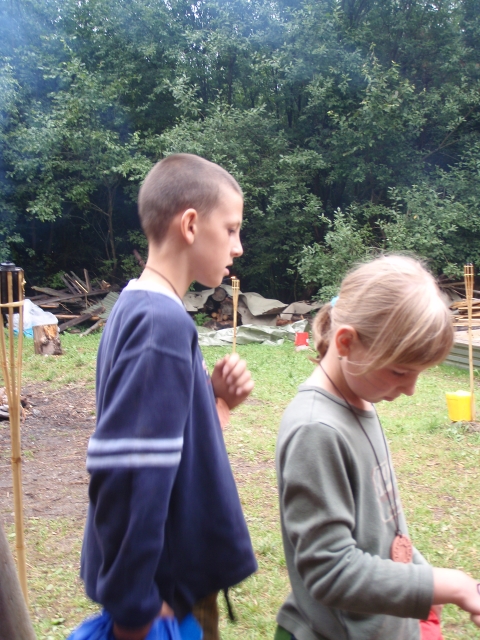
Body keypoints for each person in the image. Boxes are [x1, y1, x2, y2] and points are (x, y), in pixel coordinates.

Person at [80, 154, 257, 640]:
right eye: (232, 229)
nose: (238, 246)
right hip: (162, 598)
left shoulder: (133, 306)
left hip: (165, 586)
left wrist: (215, 401)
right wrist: (135, 606)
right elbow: (129, 469)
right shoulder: (161, 325)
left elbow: (165, 444)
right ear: (191, 225)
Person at [274, 255, 480, 640]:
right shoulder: (316, 430)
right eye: (400, 371)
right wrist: (446, 585)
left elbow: (380, 529)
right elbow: (331, 572)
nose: (411, 389)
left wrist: (421, 577)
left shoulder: (359, 400)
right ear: (346, 342)